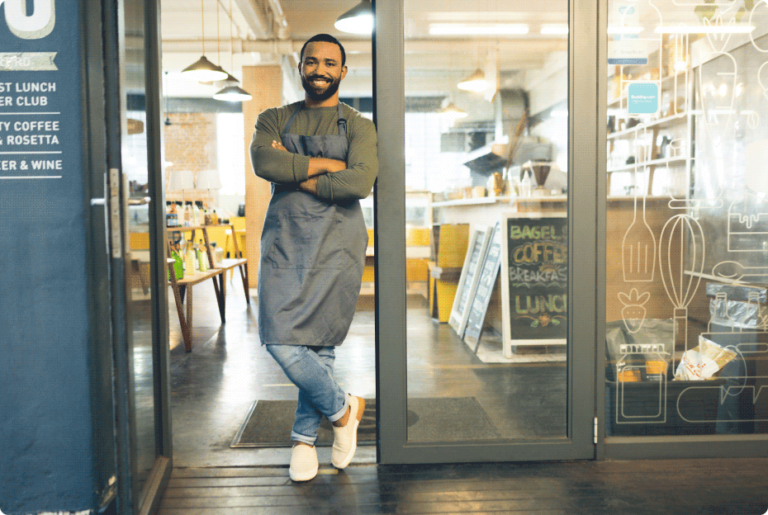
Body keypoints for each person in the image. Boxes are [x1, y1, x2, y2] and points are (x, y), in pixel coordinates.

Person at [249, 33, 378, 482]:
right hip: (286, 244)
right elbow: (265, 163)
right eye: (311, 62)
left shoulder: (359, 126)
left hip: (337, 246)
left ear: (343, 71)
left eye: (329, 63)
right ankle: (345, 411)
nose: (319, 69)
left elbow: (360, 184)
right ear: (300, 66)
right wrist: (326, 167)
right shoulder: (274, 118)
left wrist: (298, 172)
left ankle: (303, 441)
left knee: (319, 343)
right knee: (281, 338)